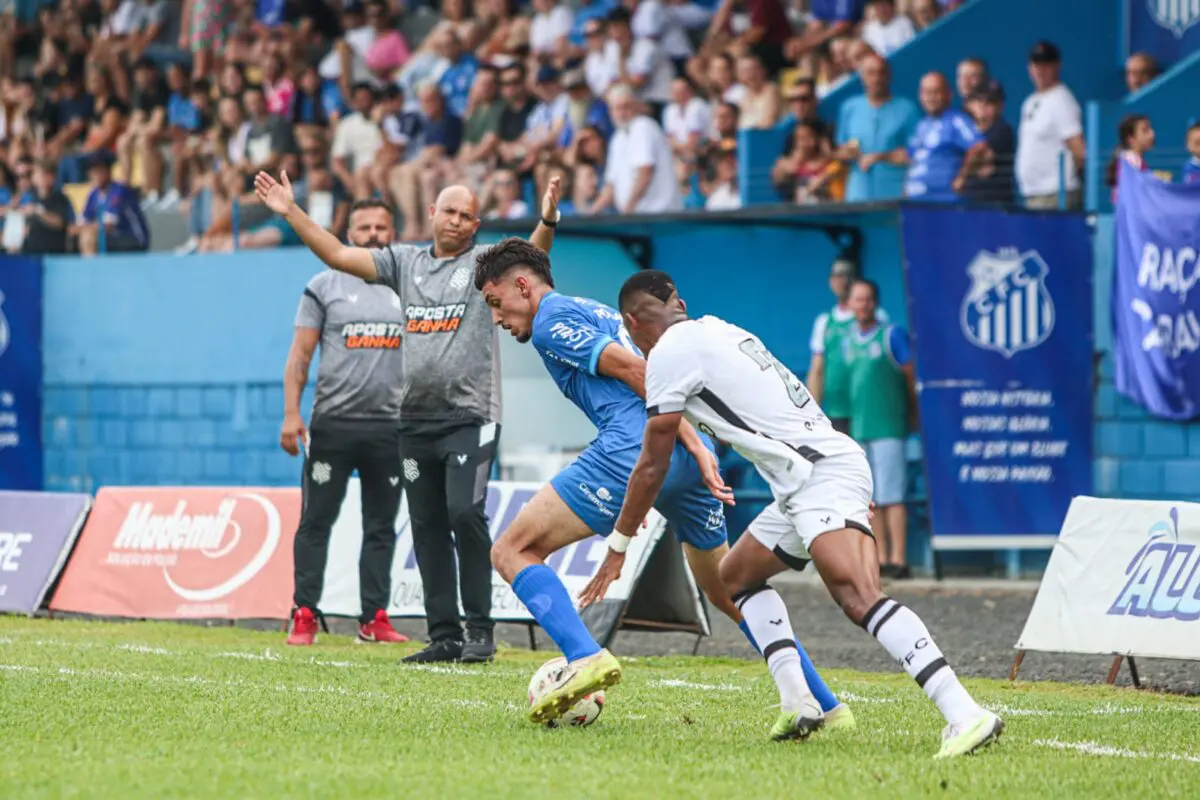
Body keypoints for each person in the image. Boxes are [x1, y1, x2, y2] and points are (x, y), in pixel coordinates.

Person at [583, 270, 1002, 757]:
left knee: (858, 596)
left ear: (632, 324)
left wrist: (618, 545)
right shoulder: (722, 329)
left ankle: (964, 712)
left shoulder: (668, 354)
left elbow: (652, 462)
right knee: (736, 575)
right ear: (679, 303)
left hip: (819, 476)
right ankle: (799, 701)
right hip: (814, 474)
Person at [474, 239, 851, 728]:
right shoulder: (592, 308)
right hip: (682, 455)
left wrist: (686, 441)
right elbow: (658, 377)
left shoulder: (548, 320)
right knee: (730, 591)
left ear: (521, 286)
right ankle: (825, 703)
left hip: (634, 452)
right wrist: (694, 443)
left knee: (511, 549)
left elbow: (637, 371)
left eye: (495, 302)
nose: (497, 318)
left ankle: (583, 655)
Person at [254, 169, 559, 664]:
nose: (457, 222)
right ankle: (444, 637)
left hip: (472, 416)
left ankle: (480, 629)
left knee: (464, 512)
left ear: (476, 223)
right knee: (426, 525)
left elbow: (531, 253)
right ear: (432, 214)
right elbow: (336, 254)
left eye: (467, 216)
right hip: (414, 423)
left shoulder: (485, 268)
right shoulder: (404, 263)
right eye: (450, 212)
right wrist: (290, 210)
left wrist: (547, 218)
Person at [284, 199, 410, 647]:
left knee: (381, 525)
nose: (373, 233)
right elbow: (300, 355)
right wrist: (291, 414)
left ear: (392, 231)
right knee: (316, 521)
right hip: (333, 428)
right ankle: (303, 612)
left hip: (390, 431)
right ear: (347, 230)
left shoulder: (408, 284)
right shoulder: (323, 285)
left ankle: (373, 618)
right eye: (364, 227)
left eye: (381, 226)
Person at [844, 279, 915, 579]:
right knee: (870, 497)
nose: (863, 305)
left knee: (892, 495)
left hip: (888, 425)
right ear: (850, 304)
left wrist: (912, 414)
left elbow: (910, 376)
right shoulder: (847, 341)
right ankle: (880, 556)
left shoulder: (892, 335)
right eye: (858, 300)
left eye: (868, 299)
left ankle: (899, 558)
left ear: (875, 302)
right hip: (861, 427)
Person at [807, 259, 888, 435]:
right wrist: (811, 414)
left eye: (846, 275)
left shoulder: (876, 316)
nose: (842, 280)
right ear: (830, 282)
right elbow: (817, 370)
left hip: (871, 411)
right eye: (837, 275)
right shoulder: (825, 322)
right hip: (837, 411)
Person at [902, 71, 987, 203]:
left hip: (943, 201)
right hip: (916, 201)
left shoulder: (956, 120)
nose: (931, 97)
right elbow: (911, 156)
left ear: (949, 94)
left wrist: (962, 177)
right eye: (926, 92)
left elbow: (979, 146)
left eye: (936, 92)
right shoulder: (922, 125)